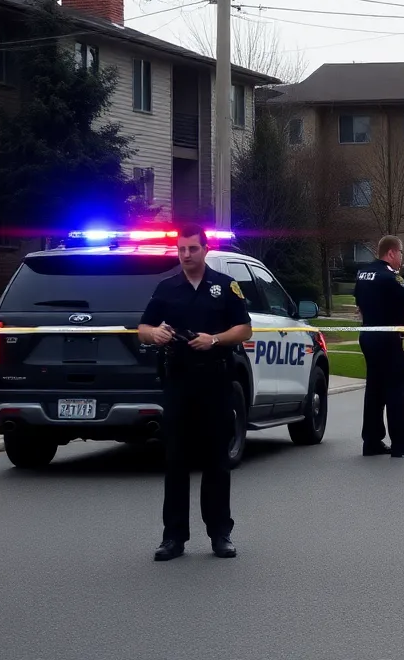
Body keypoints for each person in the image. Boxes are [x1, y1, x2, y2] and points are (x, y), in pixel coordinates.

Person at [138, 224, 253, 561]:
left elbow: (244, 327)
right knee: (175, 460)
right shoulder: (166, 288)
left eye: (192, 249)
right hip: (178, 380)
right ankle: (173, 537)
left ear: (205, 249)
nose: (186, 255)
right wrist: (153, 333)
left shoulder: (225, 286)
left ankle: (220, 533)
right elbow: (142, 328)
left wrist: (214, 339)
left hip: (215, 382)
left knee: (217, 460)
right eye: (181, 249)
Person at [353, 235, 404, 459]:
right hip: (388, 339)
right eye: (401, 254)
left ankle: (372, 441)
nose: (401, 259)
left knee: (374, 391)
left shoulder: (363, 274)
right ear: (392, 253)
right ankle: (401, 444)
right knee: (397, 391)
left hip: (368, 337)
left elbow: (360, 307)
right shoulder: (391, 276)